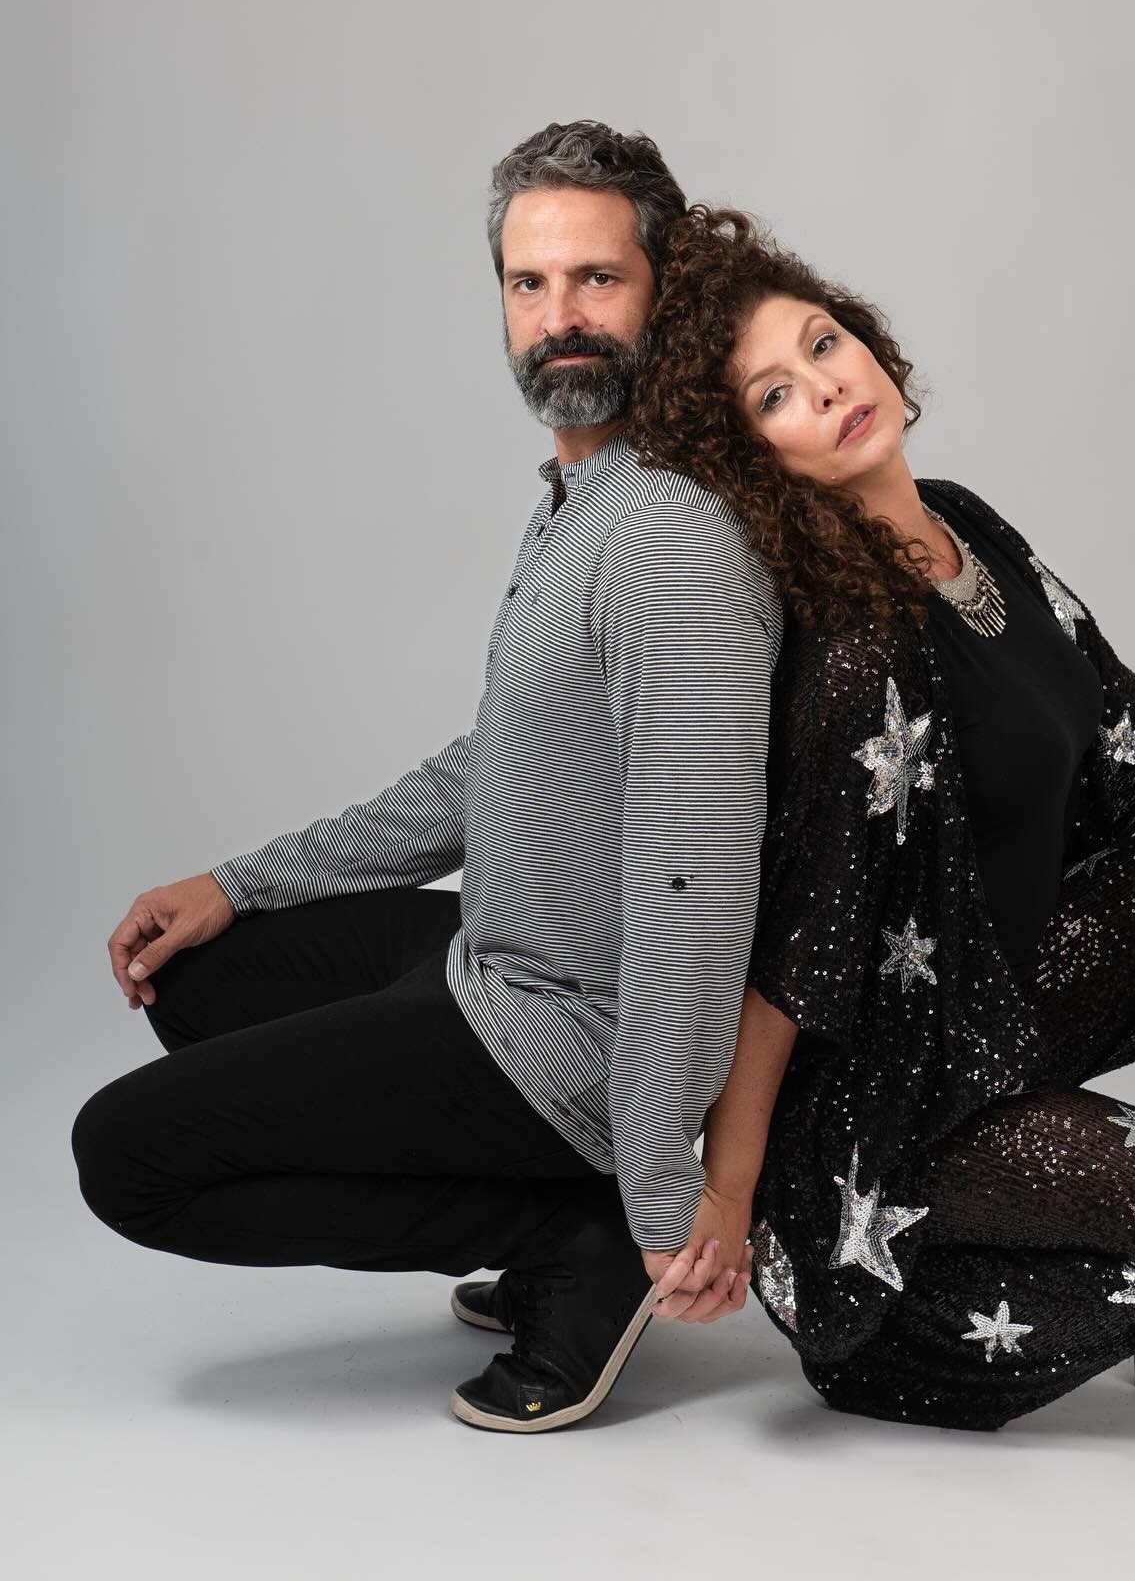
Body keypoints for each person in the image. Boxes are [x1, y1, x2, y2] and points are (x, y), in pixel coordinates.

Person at [628, 204, 1135, 1432]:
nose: (825, 388)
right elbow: (797, 957)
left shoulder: (963, 522)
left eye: (823, 344)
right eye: (776, 397)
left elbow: (1122, 713)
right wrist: (728, 1194)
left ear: (865, 339)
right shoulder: (853, 653)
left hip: (990, 1009)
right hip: (887, 1116)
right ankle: (902, 1333)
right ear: (754, 460)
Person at [71, 123, 783, 1434]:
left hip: (576, 1036)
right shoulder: (584, 495)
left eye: (598, 279)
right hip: (495, 955)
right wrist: (238, 884)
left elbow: (698, 883)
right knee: (198, 972)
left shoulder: (666, 536)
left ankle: (566, 1233)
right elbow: (491, 768)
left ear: (667, 290)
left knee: (126, 1158)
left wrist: (655, 1181)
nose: (560, 319)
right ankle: (546, 1204)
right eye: (529, 284)